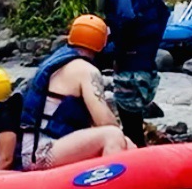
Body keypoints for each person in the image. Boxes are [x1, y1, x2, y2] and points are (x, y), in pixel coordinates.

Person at [19, 14, 133, 169]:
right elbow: (105, 123)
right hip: (42, 152)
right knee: (113, 135)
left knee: (129, 145)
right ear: (101, 45)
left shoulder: (57, 61)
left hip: (37, 148)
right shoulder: (86, 70)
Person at [93, 0, 172, 146]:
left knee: (130, 124)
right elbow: (163, 14)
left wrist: (121, 51)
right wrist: (149, 46)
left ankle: (135, 158)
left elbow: (126, 16)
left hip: (131, 64)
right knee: (134, 118)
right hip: (146, 62)